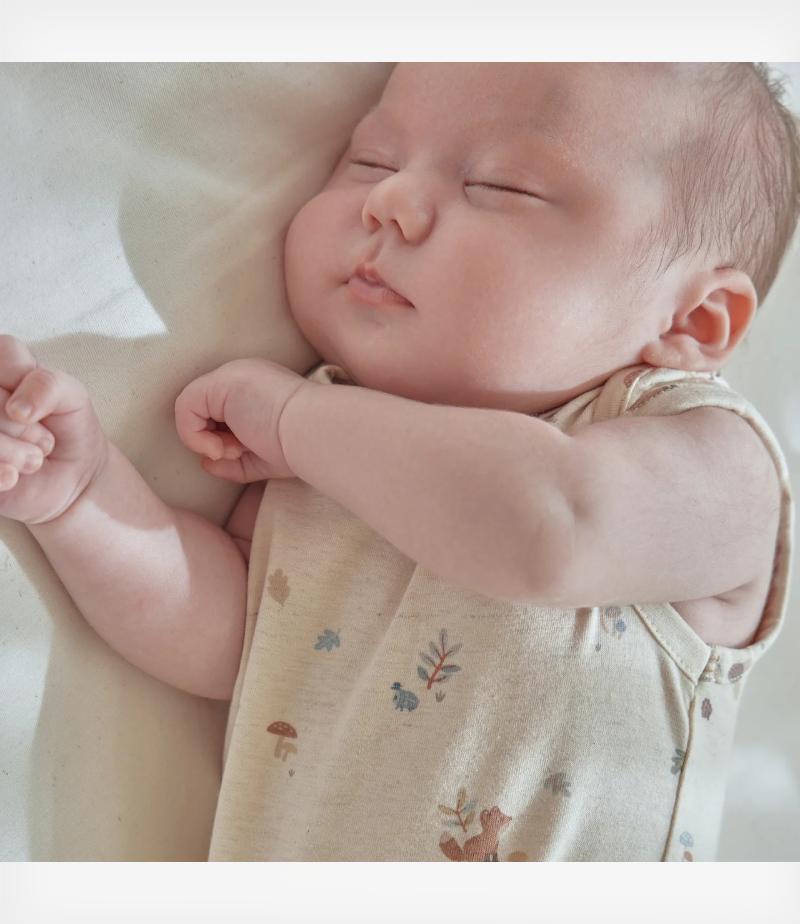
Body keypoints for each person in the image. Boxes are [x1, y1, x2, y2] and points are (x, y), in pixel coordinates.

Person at [1, 63, 797, 861]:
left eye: (500, 185)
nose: (389, 200)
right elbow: (231, 642)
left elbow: (552, 526)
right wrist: (83, 498)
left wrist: (296, 421)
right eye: (370, 161)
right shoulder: (326, 446)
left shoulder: (713, 458)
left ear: (693, 321)